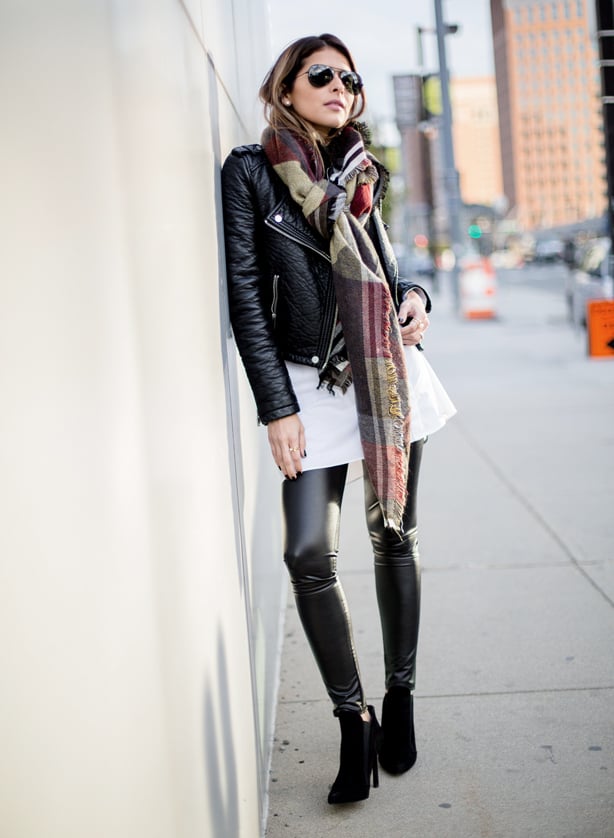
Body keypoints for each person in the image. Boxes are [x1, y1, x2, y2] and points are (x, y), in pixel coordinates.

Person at [222, 33, 455, 805]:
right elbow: (247, 299)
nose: (338, 86)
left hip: (385, 374)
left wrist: (416, 295)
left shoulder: (361, 172)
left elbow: (386, 268)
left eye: (348, 78)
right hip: (304, 383)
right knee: (306, 553)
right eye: (320, 74)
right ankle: (353, 718)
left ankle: (402, 697)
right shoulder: (252, 172)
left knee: (394, 534)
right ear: (286, 87)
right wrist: (275, 408)